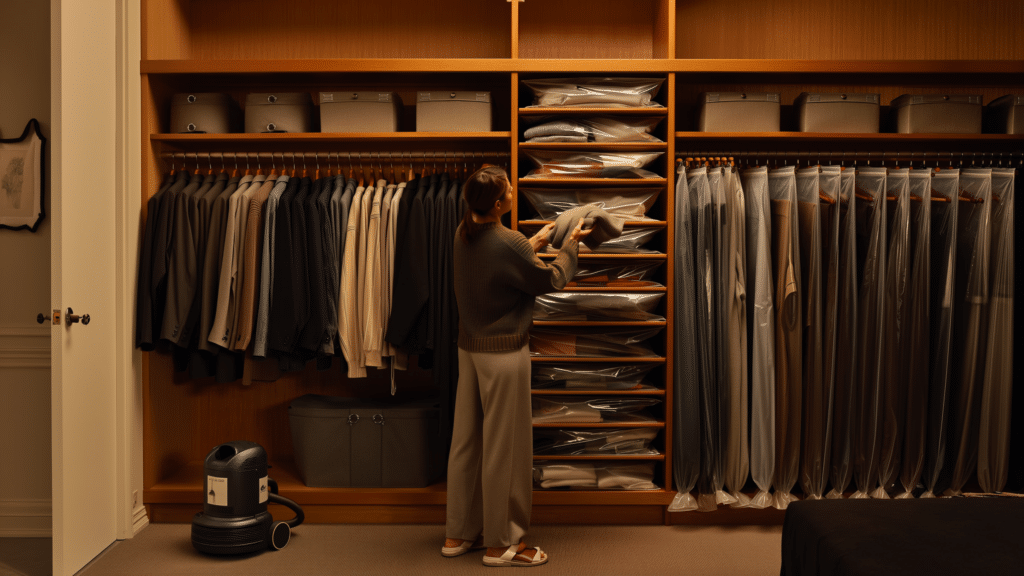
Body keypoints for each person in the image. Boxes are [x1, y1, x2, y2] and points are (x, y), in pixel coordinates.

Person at [441, 165, 590, 567]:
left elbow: (501, 264)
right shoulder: (510, 243)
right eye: (509, 190)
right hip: (504, 354)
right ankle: (503, 543)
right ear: (497, 203)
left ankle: (460, 532)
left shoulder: (463, 232)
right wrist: (570, 245)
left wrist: (534, 241)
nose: (513, 192)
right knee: (505, 449)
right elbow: (551, 279)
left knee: (467, 443)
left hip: (469, 349)